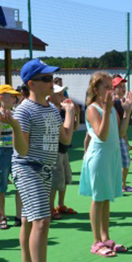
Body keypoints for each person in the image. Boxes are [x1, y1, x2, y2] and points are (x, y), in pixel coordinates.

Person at [0, 59, 76, 262]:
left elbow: (64, 139)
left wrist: (70, 114)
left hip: (45, 168)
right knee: (42, 220)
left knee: (28, 220)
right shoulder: (24, 110)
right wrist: (13, 126)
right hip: (27, 168)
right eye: (45, 79)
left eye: (51, 77)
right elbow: (21, 150)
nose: (51, 82)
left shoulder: (52, 109)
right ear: (31, 83)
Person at [80, 72, 126, 255]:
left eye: (111, 86)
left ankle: (106, 238)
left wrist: (127, 111)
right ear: (96, 89)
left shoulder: (111, 108)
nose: (110, 90)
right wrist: (107, 110)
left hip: (111, 156)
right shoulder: (93, 109)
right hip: (98, 156)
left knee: (107, 198)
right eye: (106, 86)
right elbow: (102, 134)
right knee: (98, 199)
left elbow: (120, 133)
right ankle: (96, 242)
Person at [0, 84, 23, 230]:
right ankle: (1, 216)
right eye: (12, 96)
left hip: (16, 152)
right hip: (1, 152)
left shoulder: (16, 113)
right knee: (1, 185)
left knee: (20, 184)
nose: (15, 98)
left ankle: (19, 216)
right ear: (1, 98)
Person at [49, 83, 79, 218]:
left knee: (66, 179)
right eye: (59, 94)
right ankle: (50, 208)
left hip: (63, 151)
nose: (63, 96)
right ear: (50, 96)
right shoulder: (50, 111)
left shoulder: (62, 111)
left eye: (63, 93)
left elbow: (75, 129)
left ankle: (60, 205)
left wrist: (74, 114)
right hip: (54, 151)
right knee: (55, 181)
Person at [112, 76, 132, 193]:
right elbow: (118, 127)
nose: (123, 88)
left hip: (120, 137)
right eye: (119, 86)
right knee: (115, 163)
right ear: (113, 89)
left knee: (126, 161)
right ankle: (118, 185)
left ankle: (122, 184)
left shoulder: (122, 101)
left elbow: (123, 125)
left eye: (124, 86)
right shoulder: (114, 102)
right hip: (112, 138)